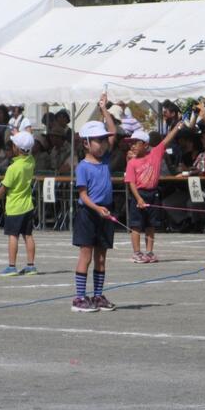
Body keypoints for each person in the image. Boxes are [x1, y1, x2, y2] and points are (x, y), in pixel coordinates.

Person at [71, 95, 118, 313]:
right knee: (86, 255)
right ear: (86, 143)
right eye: (98, 140)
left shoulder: (105, 159)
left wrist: (104, 110)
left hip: (105, 212)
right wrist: (97, 208)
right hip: (89, 213)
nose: (103, 143)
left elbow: (113, 132)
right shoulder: (83, 167)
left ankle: (98, 295)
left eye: (103, 140)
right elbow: (83, 195)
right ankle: (80, 298)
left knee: (101, 256)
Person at [125, 123, 183, 264]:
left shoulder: (155, 154)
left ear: (145, 145)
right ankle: (137, 252)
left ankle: (149, 252)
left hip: (153, 193)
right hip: (139, 194)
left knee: (151, 225)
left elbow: (166, 140)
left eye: (136, 143)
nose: (132, 146)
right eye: (131, 143)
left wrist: (177, 127)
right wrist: (139, 198)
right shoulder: (132, 162)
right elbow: (131, 183)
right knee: (136, 225)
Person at [0, 131, 37, 277]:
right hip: (28, 205)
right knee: (28, 235)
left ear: (17, 148)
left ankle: (11, 266)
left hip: (15, 207)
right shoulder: (31, 161)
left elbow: (3, 187)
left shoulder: (13, 168)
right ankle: (31, 266)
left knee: (13, 236)